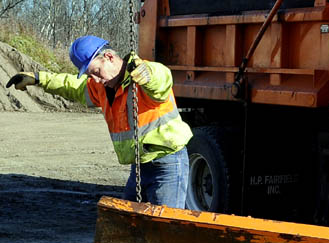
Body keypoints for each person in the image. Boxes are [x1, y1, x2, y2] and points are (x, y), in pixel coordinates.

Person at [7, 35, 193, 208]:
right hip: (139, 167)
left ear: (110, 57)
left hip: (167, 165)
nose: (95, 79)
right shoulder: (101, 87)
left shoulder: (142, 76)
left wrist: (147, 75)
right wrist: (38, 79)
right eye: (90, 75)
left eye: (96, 71)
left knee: (166, 228)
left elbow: (162, 78)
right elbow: (72, 85)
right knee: (127, 226)